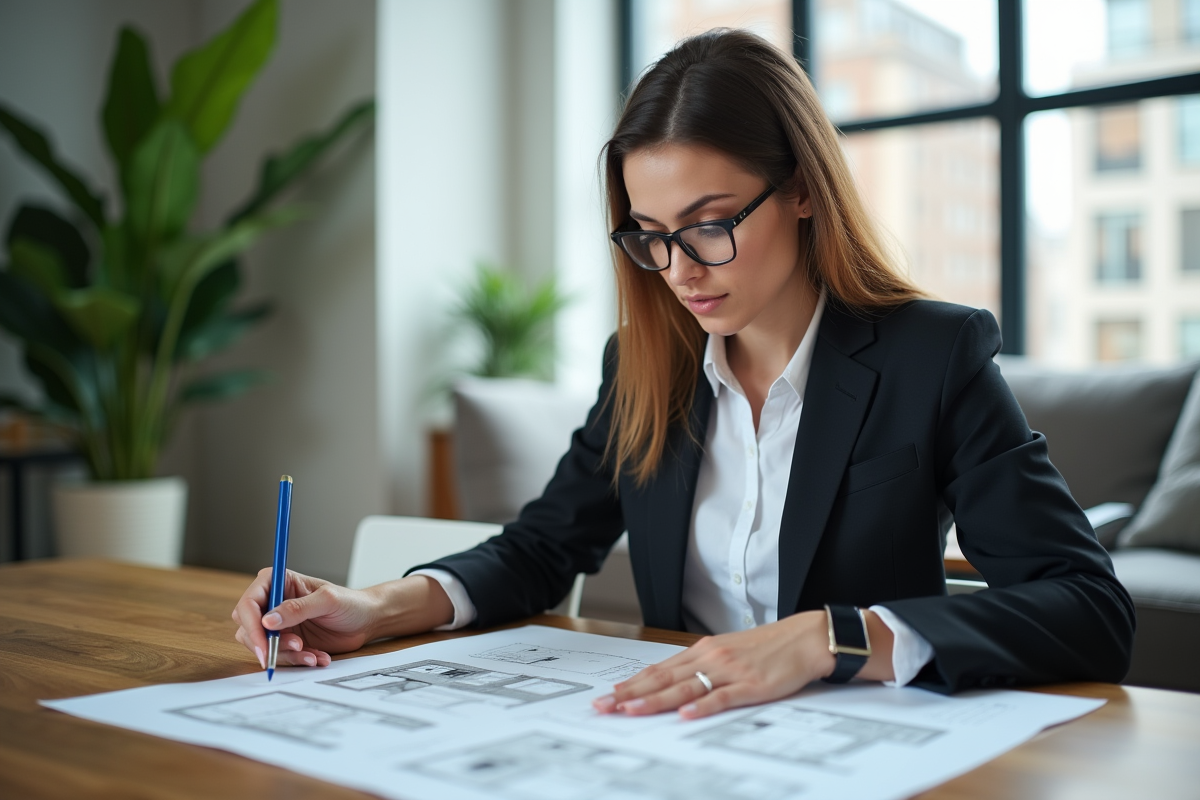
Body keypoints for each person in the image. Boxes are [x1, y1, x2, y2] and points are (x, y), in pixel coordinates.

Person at [232, 29, 1134, 720]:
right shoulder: (646, 363)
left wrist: (831, 637)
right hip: (680, 739)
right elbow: (545, 548)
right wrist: (373, 605)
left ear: (802, 190)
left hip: (855, 746)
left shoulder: (930, 357)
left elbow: (1090, 608)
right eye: (650, 235)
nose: (679, 269)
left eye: (709, 224)